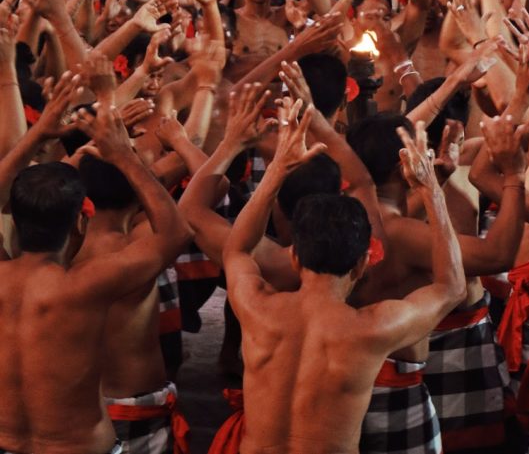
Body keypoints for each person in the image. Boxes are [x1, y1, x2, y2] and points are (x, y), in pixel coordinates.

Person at [223, 102, 465, 454]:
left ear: (293, 256)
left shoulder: (257, 308)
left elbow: (237, 250)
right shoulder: (372, 328)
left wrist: (277, 169)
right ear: (362, 264)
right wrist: (431, 189)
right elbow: (451, 287)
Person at [0, 87, 189, 454]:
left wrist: (38, 135)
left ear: (15, 223)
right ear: (79, 224)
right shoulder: (89, 285)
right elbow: (176, 233)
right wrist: (123, 157)